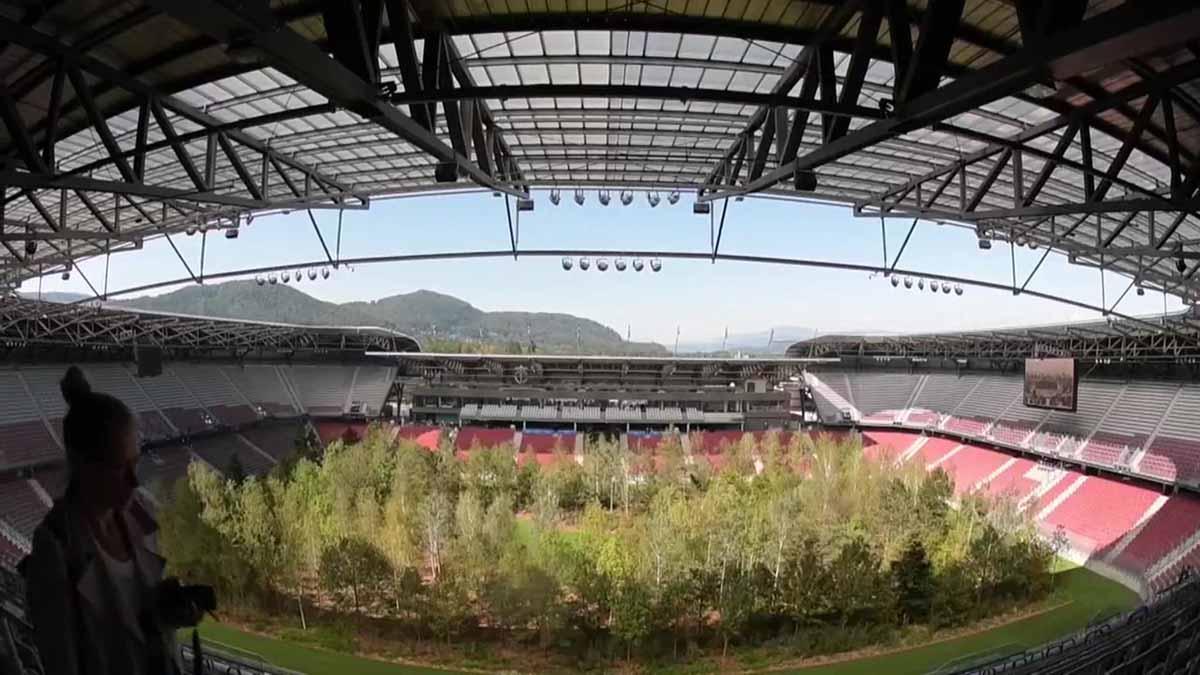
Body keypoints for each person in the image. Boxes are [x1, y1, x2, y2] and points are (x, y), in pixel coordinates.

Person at [23, 366, 204, 675]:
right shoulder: (54, 551)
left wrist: (170, 613)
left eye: (135, 462)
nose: (135, 480)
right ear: (84, 465)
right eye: (119, 467)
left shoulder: (134, 523)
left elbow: (140, 627)